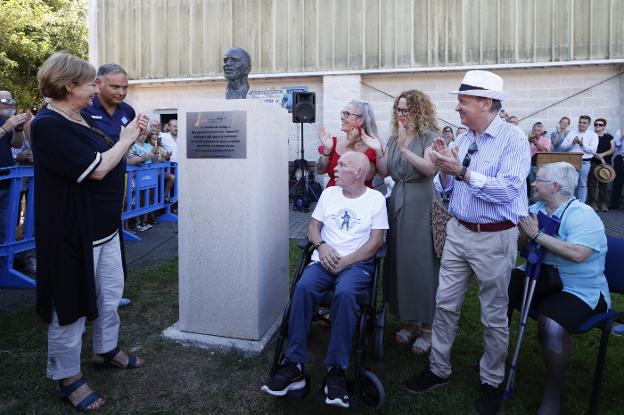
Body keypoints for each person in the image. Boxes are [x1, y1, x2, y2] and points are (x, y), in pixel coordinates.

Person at [405, 70, 530, 415]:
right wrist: (445, 167)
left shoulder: (514, 140)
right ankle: (438, 368)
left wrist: (460, 171)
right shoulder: (464, 138)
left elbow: (507, 190)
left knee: (494, 314)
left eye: (464, 101)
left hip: (495, 236)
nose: (458, 107)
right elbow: (447, 189)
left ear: (486, 103)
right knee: (444, 304)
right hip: (459, 232)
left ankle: (491, 380)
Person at [31, 52, 147, 412]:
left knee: (110, 293)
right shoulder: (48, 124)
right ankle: (67, 378)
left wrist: (126, 138)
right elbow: (96, 169)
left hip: (105, 226)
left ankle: (106, 350)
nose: (92, 89)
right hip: (71, 231)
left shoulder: (76, 117)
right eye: (87, 84)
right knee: (71, 305)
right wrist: (127, 139)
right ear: (69, 87)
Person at [261, 151, 388, 409]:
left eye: (343, 165)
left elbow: (376, 242)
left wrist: (348, 260)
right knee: (304, 288)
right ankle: (294, 365)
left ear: (359, 173)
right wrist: (322, 245)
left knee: (345, 294)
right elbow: (312, 227)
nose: (336, 168)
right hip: (324, 260)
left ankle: (336, 370)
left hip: (356, 264)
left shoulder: (375, 199)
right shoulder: (329, 194)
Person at [511, 162, 610, 415]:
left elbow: (578, 253)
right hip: (541, 278)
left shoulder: (583, 215)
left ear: (555, 186)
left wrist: (537, 236)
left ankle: (552, 390)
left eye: (539, 180)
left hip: (579, 289)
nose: (533, 183)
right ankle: (495, 359)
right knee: (498, 287)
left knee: (552, 324)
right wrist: (523, 232)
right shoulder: (536, 209)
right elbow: (521, 245)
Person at [361, 89, 439, 354]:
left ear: (419, 111)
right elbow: (386, 172)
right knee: (401, 261)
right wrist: (379, 151)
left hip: (421, 202)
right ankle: (410, 320)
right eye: (398, 110)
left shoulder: (431, 137)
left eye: (405, 110)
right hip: (398, 202)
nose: (400, 115)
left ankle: (429, 327)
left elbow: (430, 169)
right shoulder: (395, 138)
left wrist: (405, 149)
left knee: (422, 263)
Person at [83, 63, 136, 308]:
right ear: (98, 83)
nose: (121, 92)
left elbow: (125, 148)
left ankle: (110, 295)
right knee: (88, 247)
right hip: (87, 186)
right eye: (115, 86)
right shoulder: (83, 108)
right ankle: (82, 301)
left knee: (113, 241)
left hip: (115, 186)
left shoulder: (128, 111)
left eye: (125, 87)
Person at [316, 100, 378, 188]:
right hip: (333, 198)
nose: (342, 117)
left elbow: (367, 176)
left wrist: (351, 148)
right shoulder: (333, 142)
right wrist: (327, 150)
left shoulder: (371, 147)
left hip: (358, 199)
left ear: (360, 120)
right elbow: (319, 170)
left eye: (346, 114)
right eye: (342, 113)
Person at [0, 90, 30, 272]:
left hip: (7, 182)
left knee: (6, 228)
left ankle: (5, 267)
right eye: (5, 100)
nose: (10, 104)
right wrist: (7, 127)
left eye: (13, 100)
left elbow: (17, 145)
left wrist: (18, 128)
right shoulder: (4, 125)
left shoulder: (6, 123)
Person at [559, 115, 598, 204]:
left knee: (582, 185)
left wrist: (582, 144)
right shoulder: (572, 133)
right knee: (570, 184)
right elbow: (562, 147)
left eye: (584, 123)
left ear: (588, 124)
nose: (581, 124)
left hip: (584, 162)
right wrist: (572, 143)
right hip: (570, 162)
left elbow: (593, 150)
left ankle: (581, 205)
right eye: (580, 122)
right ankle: (569, 204)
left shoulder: (593, 135)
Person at [587, 118, 613, 211]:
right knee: (592, 184)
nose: (598, 126)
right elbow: (589, 148)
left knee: (604, 184)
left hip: (605, 164)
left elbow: (612, 149)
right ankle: (593, 203)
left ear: (604, 126)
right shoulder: (590, 136)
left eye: (600, 124)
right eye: (596, 124)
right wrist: (599, 157)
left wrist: (602, 155)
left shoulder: (609, 137)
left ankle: (603, 204)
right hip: (593, 162)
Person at [148, 129, 175, 201]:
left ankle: (164, 195)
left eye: (157, 139)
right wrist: (157, 147)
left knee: (172, 177)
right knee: (152, 194)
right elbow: (153, 159)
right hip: (150, 173)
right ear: (149, 141)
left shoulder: (160, 148)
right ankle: (151, 208)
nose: (156, 141)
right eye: (154, 139)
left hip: (159, 172)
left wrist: (168, 155)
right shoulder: (149, 147)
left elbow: (167, 158)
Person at [527, 121, 551, 199]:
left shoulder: (546, 140)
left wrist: (535, 142)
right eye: (535, 130)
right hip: (530, 165)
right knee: (531, 185)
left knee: (540, 185)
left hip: (541, 166)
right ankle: (532, 202)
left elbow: (545, 151)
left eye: (539, 130)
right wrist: (529, 142)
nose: (536, 132)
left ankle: (540, 201)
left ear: (542, 132)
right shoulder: (528, 140)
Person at [610, 128, 624, 209]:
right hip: (620, 158)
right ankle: (614, 204)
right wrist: (622, 136)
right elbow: (617, 144)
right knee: (617, 182)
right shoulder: (619, 131)